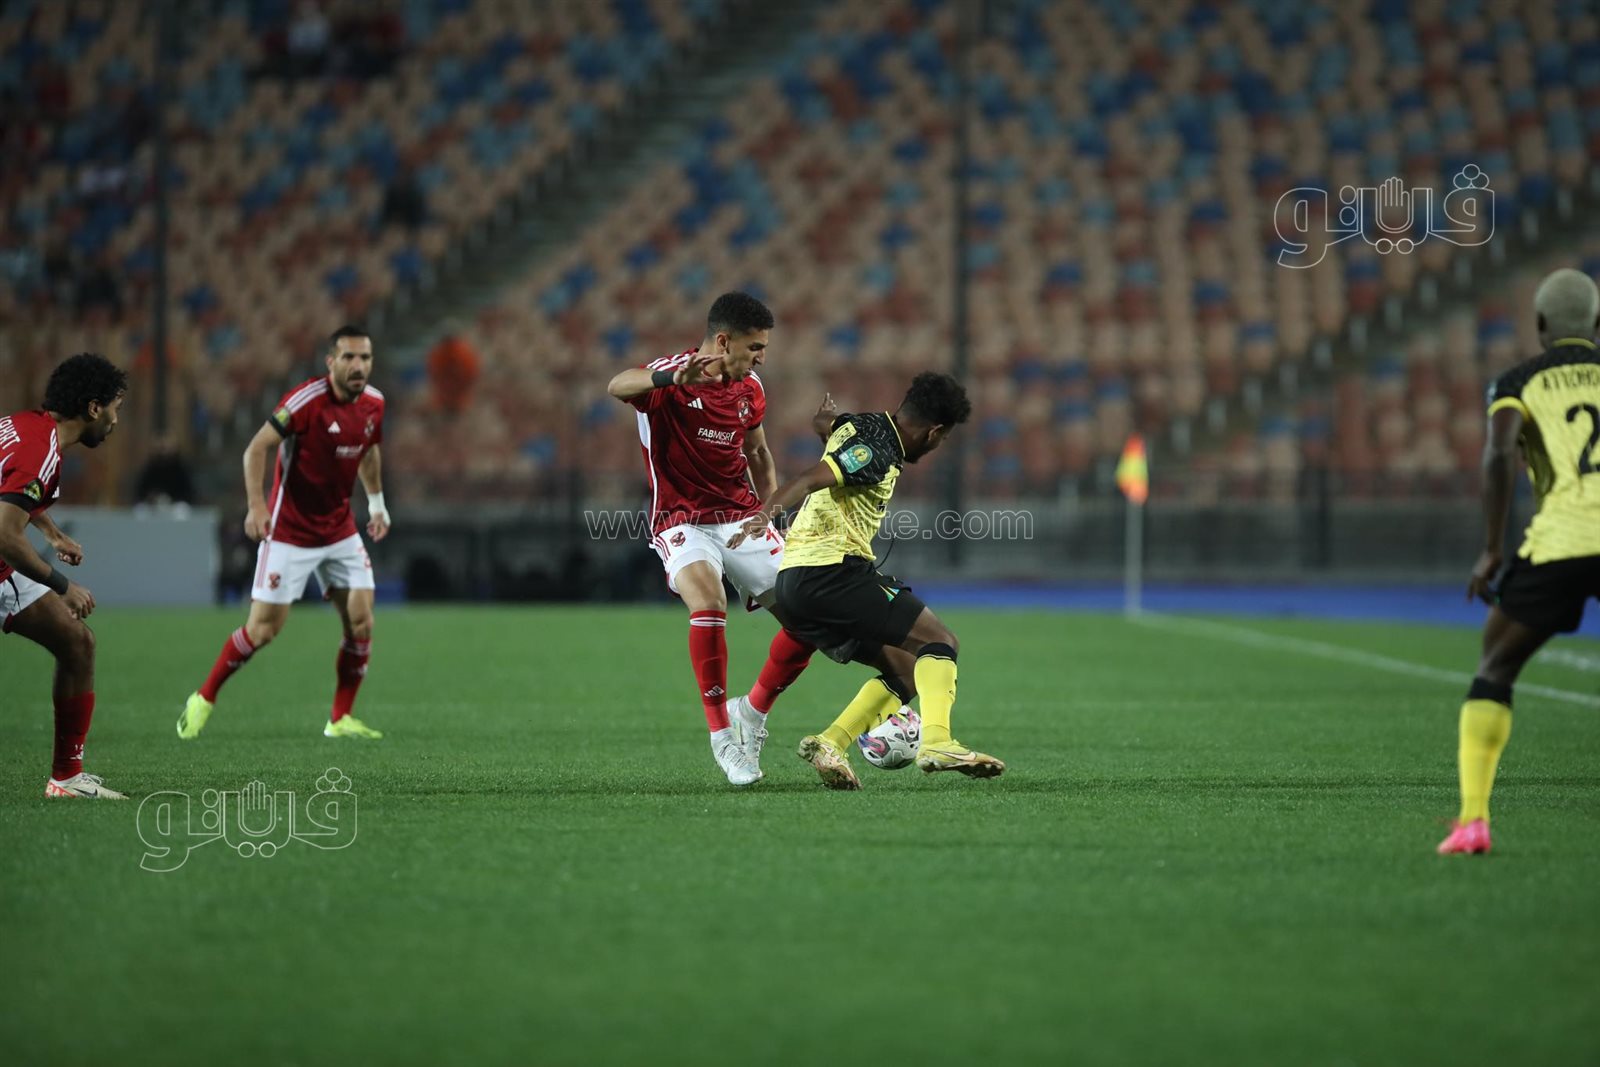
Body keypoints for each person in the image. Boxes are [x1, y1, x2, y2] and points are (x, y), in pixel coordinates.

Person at [728, 371, 1003, 790]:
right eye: (943, 439)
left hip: (796, 584)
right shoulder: (876, 452)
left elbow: (829, 426)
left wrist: (824, 422)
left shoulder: (860, 425)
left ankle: (829, 744)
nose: (938, 446)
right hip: (831, 574)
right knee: (941, 642)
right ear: (934, 432)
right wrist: (764, 515)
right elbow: (808, 479)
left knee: (907, 670)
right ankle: (938, 743)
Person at [606, 291, 819, 786]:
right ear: (723, 342)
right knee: (708, 602)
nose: (761, 357)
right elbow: (618, 384)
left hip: (740, 518)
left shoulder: (750, 388)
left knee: (812, 613)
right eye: (754, 347)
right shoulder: (673, 376)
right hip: (681, 520)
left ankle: (752, 714)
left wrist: (770, 515)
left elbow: (759, 453)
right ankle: (722, 737)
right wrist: (668, 380)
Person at [1439, 268, 1600, 855]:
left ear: (1539, 325)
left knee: (1495, 668)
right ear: (1597, 324)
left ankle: (1472, 823)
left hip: (1562, 539)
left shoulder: (1519, 382)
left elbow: (1498, 453)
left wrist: (1491, 547)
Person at [178, 325, 390, 740]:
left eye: (365, 358)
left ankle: (340, 719)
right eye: (349, 357)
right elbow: (256, 448)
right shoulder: (305, 401)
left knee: (362, 622)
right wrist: (257, 506)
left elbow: (369, 451)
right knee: (263, 630)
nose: (358, 366)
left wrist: (377, 503)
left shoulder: (374, 404)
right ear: (331, 362)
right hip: (290, 532)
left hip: (339, 530)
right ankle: (203, 697)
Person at [0, 353, 127, 798]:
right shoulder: (40, 450)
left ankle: (67, 778)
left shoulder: (23, 426)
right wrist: (63, 586)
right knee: (77, 641)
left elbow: (14, 494)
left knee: (77, 643)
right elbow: (5, 534)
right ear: (93, 408)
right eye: (114, 408)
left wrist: (52, 534)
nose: (115, 419)